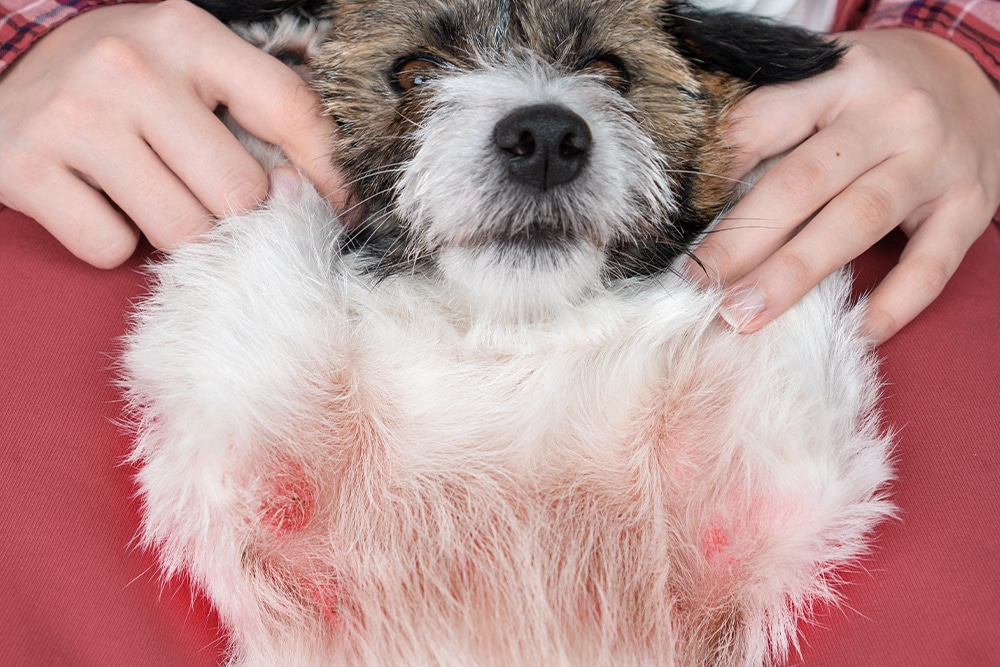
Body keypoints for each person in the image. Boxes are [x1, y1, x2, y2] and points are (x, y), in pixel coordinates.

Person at [0, 0, 998, 344]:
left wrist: (966, 61)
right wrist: (22, 45)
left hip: (851, 185)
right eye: (419, 74)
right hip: (130, 172)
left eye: (605, 75)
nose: (545, 130)